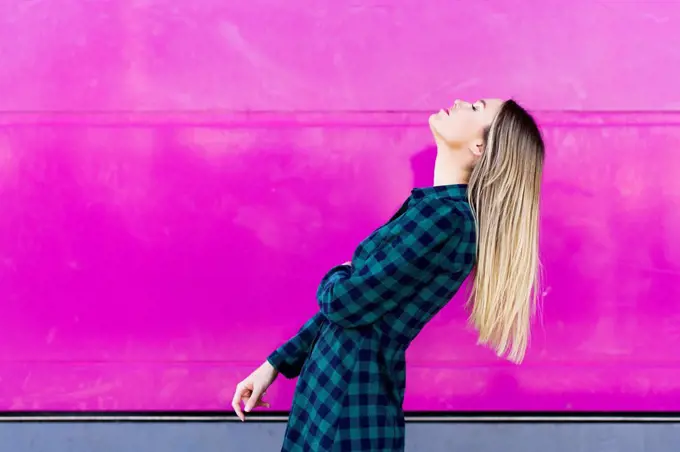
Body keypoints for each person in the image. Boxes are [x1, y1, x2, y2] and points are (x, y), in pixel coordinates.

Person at [232, 99, 545, 451]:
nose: (459, 103)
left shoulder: (445, 220)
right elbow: (350, 309)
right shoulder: (432, 210)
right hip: (340, 388)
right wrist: (274, 364)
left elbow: (344, 303)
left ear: (479, 147)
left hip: (348, 400)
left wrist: (336, 274)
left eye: (474, 108)